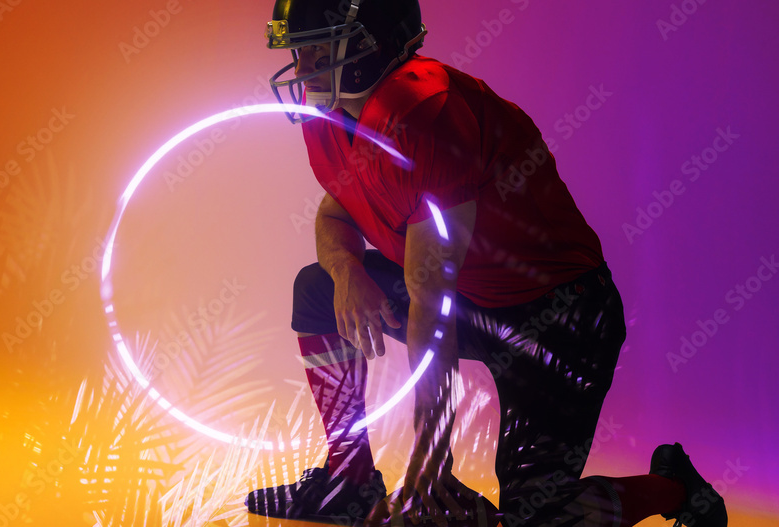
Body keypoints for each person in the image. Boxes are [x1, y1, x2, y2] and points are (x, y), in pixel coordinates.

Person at [245, 1, 727, 526]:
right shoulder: (336, 113)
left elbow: (431, 297)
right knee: (318, 288)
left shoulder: (421, 111)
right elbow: (336, 213)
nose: (300, 58)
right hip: (474, 303)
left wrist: (431, 461)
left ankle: (674, 488)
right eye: (298, 43)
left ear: (370, 42)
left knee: (534, 519)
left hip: (557, 318)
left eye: (318, 42)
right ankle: (348, 481)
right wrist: (346, 271)